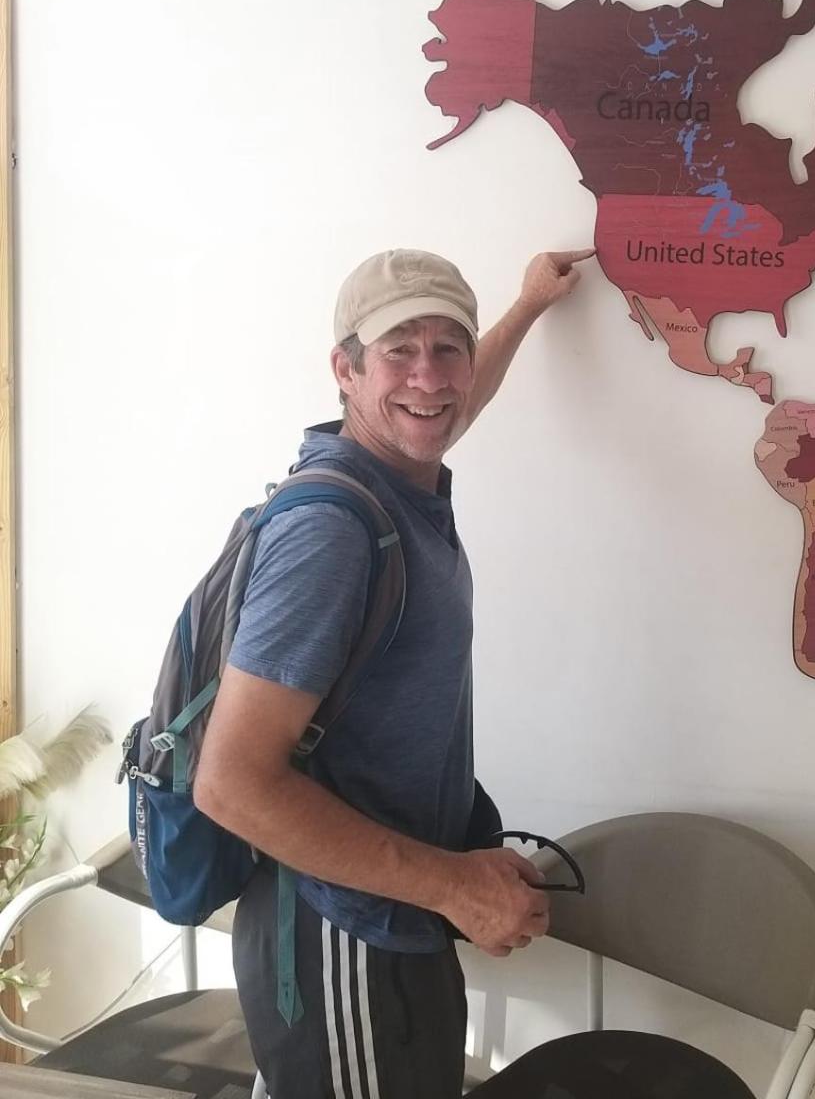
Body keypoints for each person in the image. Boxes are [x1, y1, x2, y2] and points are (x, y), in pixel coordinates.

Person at [194, 246, 595, 1099]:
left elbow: (441, 406)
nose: (429, 377)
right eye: (398, 351)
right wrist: (456, 885)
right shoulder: (333, 534)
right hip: (341, 935)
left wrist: (527, 305)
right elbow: (229, 784)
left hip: (385, 912)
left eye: (449, 348)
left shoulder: (396, 476)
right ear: (345, 371)